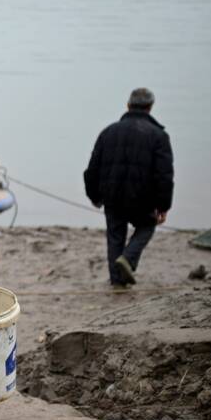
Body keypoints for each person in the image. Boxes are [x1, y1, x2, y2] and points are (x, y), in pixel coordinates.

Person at [83, 87, 174, 288]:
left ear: (128, 105)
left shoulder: (109, 132)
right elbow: (164, 175)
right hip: (144, 198)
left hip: (113, 196)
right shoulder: (158, 136)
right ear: (150, 107)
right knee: (147, 226)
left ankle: (117, 280)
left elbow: (92, 169)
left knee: (115, 235)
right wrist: (163, 206)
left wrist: (94, 195)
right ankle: (129, 258)